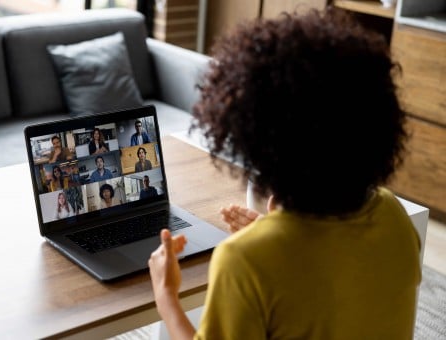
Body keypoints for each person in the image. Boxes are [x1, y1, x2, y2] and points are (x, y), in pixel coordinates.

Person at [148, 8, 420, 340]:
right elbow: (336, 287)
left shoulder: (245, 261)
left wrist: (165, 295)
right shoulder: (392, 215)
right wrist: (270, 233)